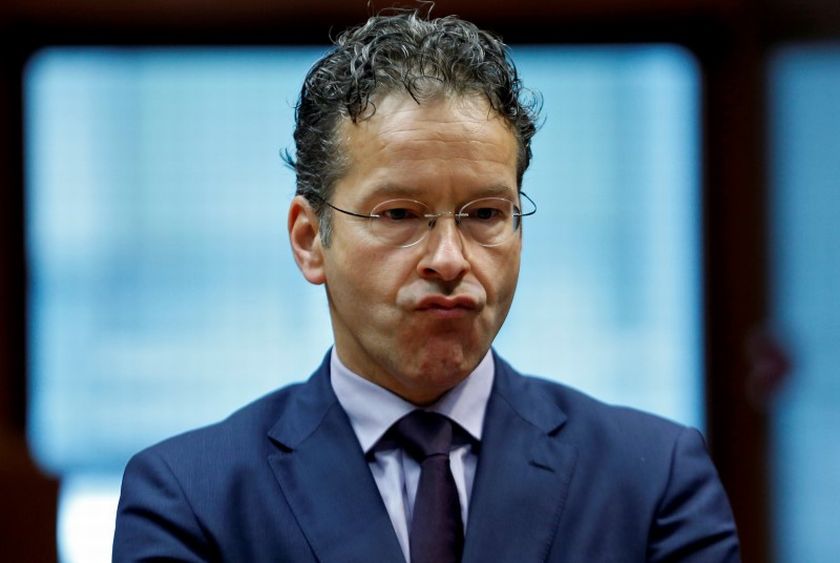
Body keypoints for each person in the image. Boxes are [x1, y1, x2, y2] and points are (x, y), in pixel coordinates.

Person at [112, 11, 740, 563]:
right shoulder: (191, 498)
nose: (448, 258)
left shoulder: (654, 477)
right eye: (399, 215)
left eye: (486, 214)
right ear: (310, 239)